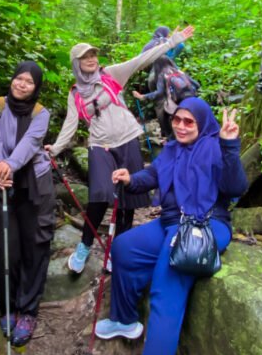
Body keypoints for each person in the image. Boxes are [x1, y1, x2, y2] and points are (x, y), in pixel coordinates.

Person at [96, 97, 247, 355]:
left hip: (204, 227)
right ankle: (125, 320)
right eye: (177, 119)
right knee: (124, 248)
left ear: (202, 124)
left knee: (166, 294)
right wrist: (129, 179)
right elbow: (154, 174)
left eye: (188, 122)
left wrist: (230, 145)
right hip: (171, 223)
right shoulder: (173, 149)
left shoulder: (213, 147)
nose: (180, 126)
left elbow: (236, 187)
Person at [45, 26, 195, 274]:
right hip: (100, 145)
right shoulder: (75, 94)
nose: (91, 59)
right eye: (85, 57)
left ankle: (118, 250)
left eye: (93, 55)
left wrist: (174, 41)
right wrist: (56, 148)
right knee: (99, 196)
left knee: (128, 199)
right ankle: (84, 247)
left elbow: (141, 60)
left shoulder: (111, 74)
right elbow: (70, 125)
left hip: (128, 139)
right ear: (76, 63)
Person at [0, 61, 55, 346]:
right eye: (18, 79)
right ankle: (8, 306)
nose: (22, 84)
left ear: (36, 87)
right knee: (4, 246)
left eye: (29, 82)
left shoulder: (41, 113)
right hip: (1, 182)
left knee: (35, 245)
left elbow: (31, 143)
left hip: (34, 184)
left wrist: (9, 166)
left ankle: (28, 310)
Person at [132, 56, 200, 140]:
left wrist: (142, 96)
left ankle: (169, 138)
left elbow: (159, 92)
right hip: (192, 102)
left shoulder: (162, 74)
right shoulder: (179, 71)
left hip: (177, 105)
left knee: (170, 122)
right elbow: (197, 85)